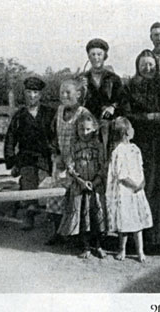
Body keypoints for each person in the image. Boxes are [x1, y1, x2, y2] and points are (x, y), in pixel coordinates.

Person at [123, 49, 160, 252]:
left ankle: (156, 239)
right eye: (144, 64)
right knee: (141, 188)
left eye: (151, 64)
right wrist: (151, 117)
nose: (148, 68)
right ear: (138, 66)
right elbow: (126, 113)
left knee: (159, 188)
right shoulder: (130, 87)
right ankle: (137, 239)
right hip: (139, 145)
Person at [45, 78, 96, 245]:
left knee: (77, 200)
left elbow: (90, 138)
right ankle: (58, 233)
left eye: (68, 92)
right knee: (55, 198)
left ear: (78, 94)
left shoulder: (83, 113)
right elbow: (52, 135)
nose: (64, 96)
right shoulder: (59, 111)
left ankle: (79, 237)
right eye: (62, 93)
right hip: (60, 162)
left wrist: (76, 160)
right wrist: (56, 153)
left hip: (79, 163)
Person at [4, 76, 55, 230]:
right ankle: (28, 215)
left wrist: (55, 154)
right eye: (29, 92)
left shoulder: (49, 113)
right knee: (28, 180)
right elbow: (10, 139)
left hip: (46, 157)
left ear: (40, 95)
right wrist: (11, 162)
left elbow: (56, 135)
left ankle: (51, 218)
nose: (32, 95)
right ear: (25, 93)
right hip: (25, 158)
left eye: (35, 92)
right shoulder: (19, 116)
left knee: (46, 183)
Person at [58, 114, 107, 259]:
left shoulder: (98, 146)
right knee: (82, 216)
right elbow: (70, 167)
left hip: (96, 187)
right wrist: (81, 182)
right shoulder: (74, 147)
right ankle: (85, 246)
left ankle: (98, 245)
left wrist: (96, 181)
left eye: (87, 129)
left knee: (97, 216)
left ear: (94, 129)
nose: (85, 133)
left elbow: (103, 166)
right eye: (81, 130)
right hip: (79, 187)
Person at [106, 117, 152, 263]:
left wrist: (142, 182)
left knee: (137, 223)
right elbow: (120, 174)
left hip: (137, 190)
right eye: (131, 128)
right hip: (125, 191)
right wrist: (133, 185)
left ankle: (140, 251)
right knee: (125, 224)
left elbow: (140, 167)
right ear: (126, 132)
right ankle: (122, 249)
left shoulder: (135, 149)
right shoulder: (118, 151)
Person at [81, 38, 124, 121]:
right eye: (93, 54)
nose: (96, 58)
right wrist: (82, 90)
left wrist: (112, 107)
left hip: (109, 120)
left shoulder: (114, 78)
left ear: (104, 56)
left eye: (99, 54)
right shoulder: (82, 78)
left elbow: (121, 99)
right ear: (89, 57)